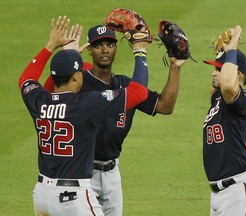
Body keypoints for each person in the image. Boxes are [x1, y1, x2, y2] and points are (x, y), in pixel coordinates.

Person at [44, 22, 186, 215]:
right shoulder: (78, 83)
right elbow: (51, 94)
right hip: (81, 173)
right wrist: (69, 59)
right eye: (98, 45)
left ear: (116, 49)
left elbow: (165, 106)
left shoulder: (125, 85)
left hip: (112, 174)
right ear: (89, 51)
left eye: (110, 44)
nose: (104, 49)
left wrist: (175, 67)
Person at [19, 16, 149, 216]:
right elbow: (139, 93)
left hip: (42, 193)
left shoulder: (39, 100)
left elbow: (26, 79)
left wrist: (50, 46)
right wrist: (140, 52)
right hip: (72, 198)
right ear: (76, 76)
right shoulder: (86, 105)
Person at [202, 25, 246, 215]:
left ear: (238, 75)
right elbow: (221, 88)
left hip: (239, 191)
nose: (214, 73)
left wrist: (232, 52)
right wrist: (224, 54)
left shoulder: (241, 101)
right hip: (221, 194)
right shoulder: (218, 99)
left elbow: (229, 86)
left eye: (219, 69)